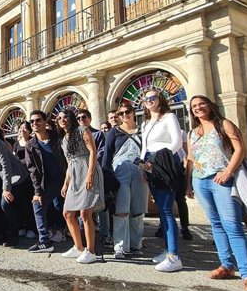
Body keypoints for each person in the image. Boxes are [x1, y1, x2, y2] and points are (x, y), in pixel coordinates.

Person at [185, 95, 247, 291]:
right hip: (200, 181)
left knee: (232, 226)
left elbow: (240, 149)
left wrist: (228, 171)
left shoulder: (224, 125)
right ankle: (226, 265)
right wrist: (188, 183)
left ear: (210, 105)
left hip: (222, 180)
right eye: (194, 106)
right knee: (216, 224)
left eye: (201, 103)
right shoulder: (193, 132)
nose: (198, 108)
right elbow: (191, 160)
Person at [140, 89, 184, 272]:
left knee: (166, 209)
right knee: (161, 208)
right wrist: (142, 167)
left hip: (164, 162)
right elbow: (144, 146)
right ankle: (167, 251)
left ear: (160, 99)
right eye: (146, 99)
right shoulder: (146, 123)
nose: (149, 101)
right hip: (150, 164)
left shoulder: (169, 117)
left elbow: (177, 142)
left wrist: (159, 159)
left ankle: (174, 255)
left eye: (153, 98)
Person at [57, 108, 105, 264]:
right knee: (68, 213)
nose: (62, 120)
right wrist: (65, 183)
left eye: (65, 117)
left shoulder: (82, 129)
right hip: (74, 174)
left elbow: (93, 151)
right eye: (59, 118)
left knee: (85, 213)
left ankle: (90, 251)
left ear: (71, 118)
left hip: (87, 169)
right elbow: (70, 162)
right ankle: (78, 247)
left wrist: (90, 173)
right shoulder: (64, 139)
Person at [102, 102, 147, 259]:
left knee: (138, 210)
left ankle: (135, 244)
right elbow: (107, 156)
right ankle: (120, 246)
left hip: (140, 172)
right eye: (121, 114)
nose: (124, 116)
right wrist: (107, 179)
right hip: (120, 172)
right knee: (121, 209)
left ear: (134, 112)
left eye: (127, 112)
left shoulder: (144, 130)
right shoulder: (114, 132)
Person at [24, 110, 68, 253]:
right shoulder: (30, 144)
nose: (35, 123)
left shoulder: (57, 137)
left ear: (45, 122)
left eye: (38, 120)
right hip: (48, 182)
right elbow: (32, 170)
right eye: (32, 122)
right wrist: (37, 191)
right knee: (38, 204)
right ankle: (44, 240)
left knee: (72, 209)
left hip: (67, 177)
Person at [77, 109, 110, 246]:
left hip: (95, 172)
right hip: (80, 174)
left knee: (100, 204)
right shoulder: (75, 136)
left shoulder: (98, 134)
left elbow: (101, 153)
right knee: (83, 205)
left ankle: (105, 234)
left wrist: (92, 169)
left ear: (90, 119)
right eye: (78, 118)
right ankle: (84, 235)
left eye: (84, 117)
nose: (81, 120)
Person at [14, 121, 37, 240]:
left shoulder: (32, 141)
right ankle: (21, 226)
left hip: (30, 176)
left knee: (29, 203)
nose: (22, 130)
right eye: (21, 128)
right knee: (19, 202)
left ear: (29, 130)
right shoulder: (16, 144)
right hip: (19, 176)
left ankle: (31, 228)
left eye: (25, 128)